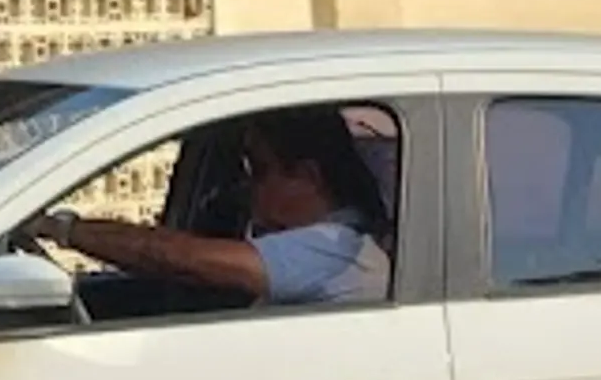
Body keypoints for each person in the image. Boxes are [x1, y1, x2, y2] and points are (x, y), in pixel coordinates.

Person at [31, 107, 392, 307]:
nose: (245, 186)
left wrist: (59, 228)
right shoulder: (322, 245)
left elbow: (175, 257)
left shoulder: (335, 250)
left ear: (308, 177)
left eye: (257, 169)